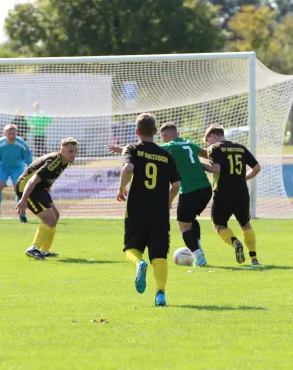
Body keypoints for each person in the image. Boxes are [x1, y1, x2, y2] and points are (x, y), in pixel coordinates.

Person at [108, 122, 212, 266]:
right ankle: (197, 247)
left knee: (183, 225)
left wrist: (122, 149)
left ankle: (199, 257)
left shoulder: (168, 147)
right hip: (206, 188)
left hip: (189, 190)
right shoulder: (190, 144)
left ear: (163, 135)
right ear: (178, 133)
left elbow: (147, 152)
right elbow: (207, 154)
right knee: (190, 219)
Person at [117, 113, 181, 307]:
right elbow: (176, 184)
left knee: (131, 247)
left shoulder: (132, 148)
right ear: (155, 131)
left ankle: (139, 264)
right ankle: (160, 294)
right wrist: (168, 201)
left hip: (137, 208)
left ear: (136, 131)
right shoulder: (165, 155)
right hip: (159, 211)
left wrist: (121, 189)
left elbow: (128, 168)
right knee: (159, 255)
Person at [202, 124, 262, 267]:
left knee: (218, 224)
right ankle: (254, 259)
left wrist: (201, 165)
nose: (208, 144)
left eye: (207, 140)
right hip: (241, 192)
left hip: (223, 192)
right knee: (246, 224)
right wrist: (244, 178)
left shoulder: (214, 148)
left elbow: (216, 169)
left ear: (213, 136)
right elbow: (257, 168)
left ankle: (235, 242)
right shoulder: (240, 147)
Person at [15, 138, 79, 260]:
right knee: (49, 219)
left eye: (76, 152)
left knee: (55, 215)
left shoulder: (63, 161)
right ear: (62, 150)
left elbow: (50, 177)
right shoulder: (54, 161)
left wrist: (47, 188)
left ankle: (44, 250)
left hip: (39, 188)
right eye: (70, 151)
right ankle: (33, 248)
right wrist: (23, 200)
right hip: (27, 187)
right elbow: (32, 180)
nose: (74, 155)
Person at [0, 124, 33, 224]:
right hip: (2, 168)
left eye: (13, 133)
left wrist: (32, 170)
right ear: (5, 134)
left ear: (16, 133)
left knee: (19, 190)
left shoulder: (21, 143)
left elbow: (28, 157)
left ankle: (22, 216)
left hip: (17, 168)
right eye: (9, 134)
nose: (12, 136)